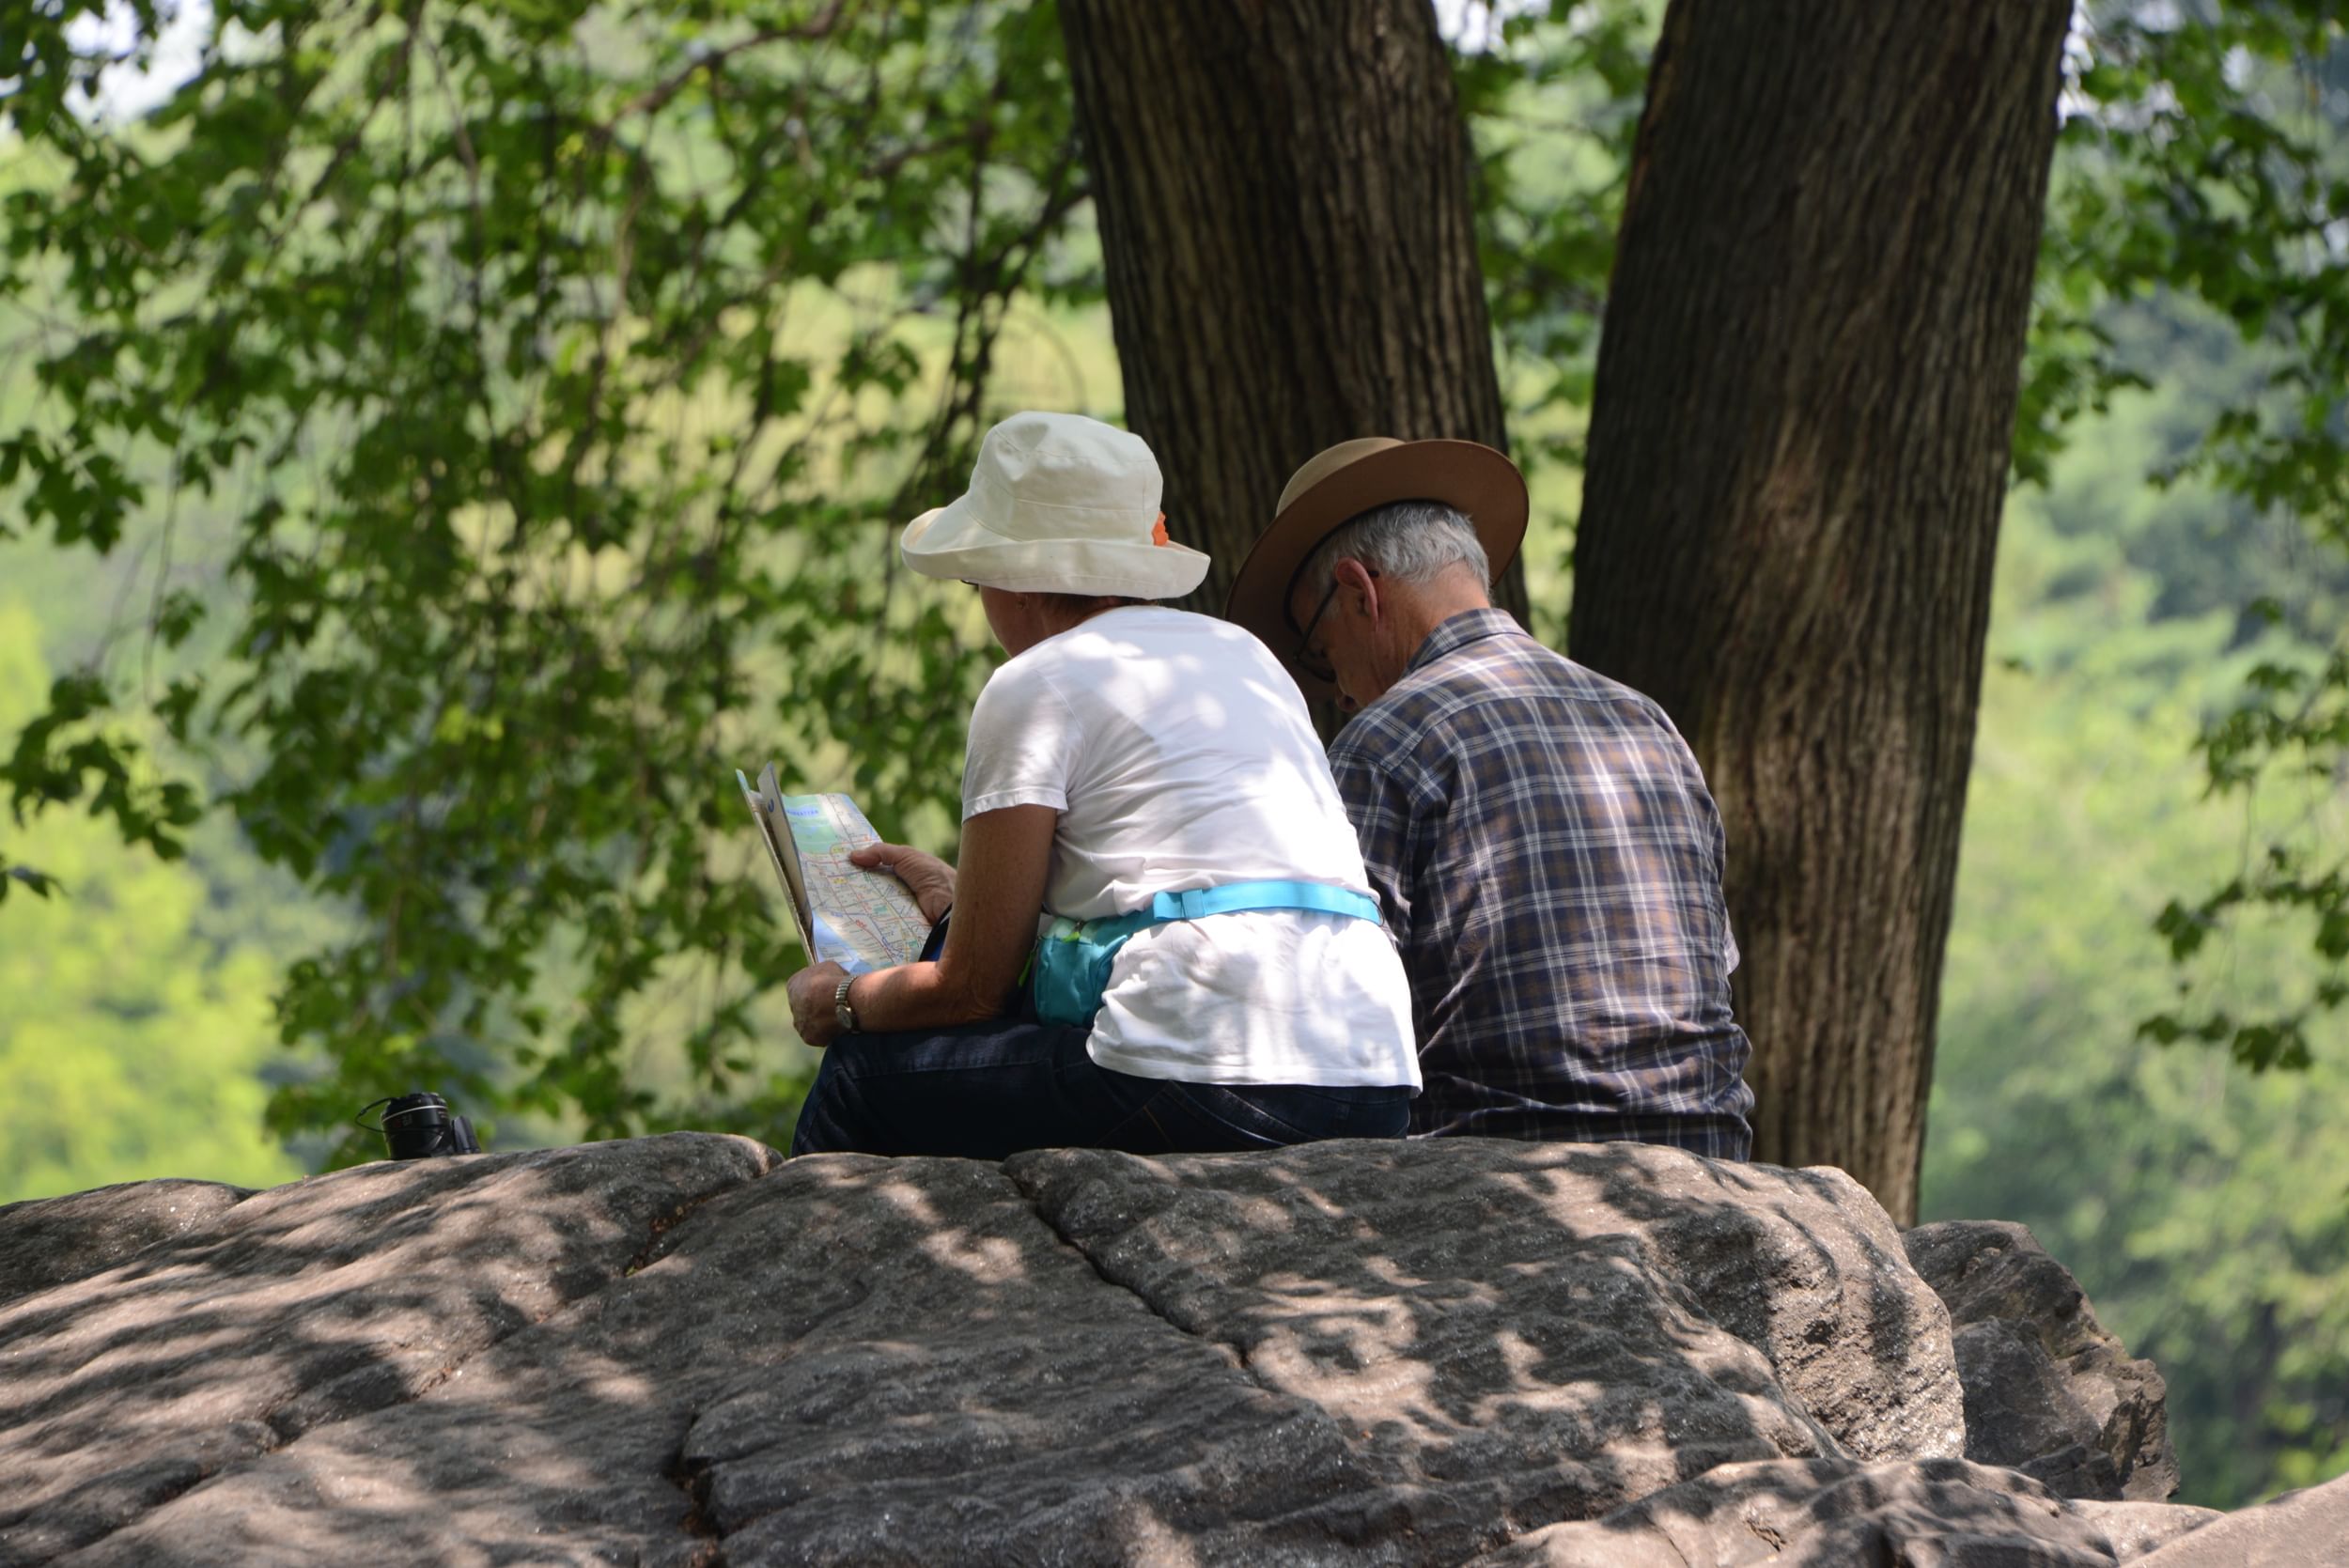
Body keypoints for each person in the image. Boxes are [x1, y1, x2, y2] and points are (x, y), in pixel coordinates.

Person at [784, 411, 1420, 1159]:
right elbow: (1165, 881)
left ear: (1014, 581)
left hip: (1198, 1076)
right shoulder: (1245, 658)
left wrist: (842, 1004)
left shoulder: (1032, 685)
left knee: (864, 1078)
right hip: (1374, 1077)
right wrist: (968, 904)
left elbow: (972, 992)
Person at [1222, 436, 1755, 1157]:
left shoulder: (1384, 743)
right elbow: (1710, 974)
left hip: (1500, 1170)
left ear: (1358, 591)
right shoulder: (1645, 721)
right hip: (1708, 1155)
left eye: (1321, 652)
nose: (1339, 691)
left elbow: (1327, 1018)